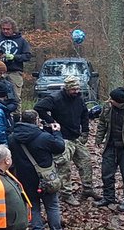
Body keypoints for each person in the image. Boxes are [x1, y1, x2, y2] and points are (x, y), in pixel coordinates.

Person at [9, 109, 66, 230]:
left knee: (33, 206)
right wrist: (56, 132)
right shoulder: (43, 137)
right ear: (36, 120)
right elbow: (60, 147)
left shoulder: (12, 138)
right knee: (52, 205)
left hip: (24, 178)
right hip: (45, 177)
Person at [36, 75, 96, 205]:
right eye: (73, 89)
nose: (76, 91)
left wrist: (85, 131)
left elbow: (84, 114)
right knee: (64, 167)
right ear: (67, 89)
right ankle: (66, 194)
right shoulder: (56, 98)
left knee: (86, 163)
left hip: (76, 137)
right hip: (62, 138)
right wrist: (52, 122)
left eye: (77, 89)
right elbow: (39, 108)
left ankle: (88, 189)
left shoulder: (79, 98)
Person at [0, 18, 33, 97]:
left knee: (15, 97)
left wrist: (14, 57)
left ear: (13, 29)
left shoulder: (21, 40)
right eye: (3, 29)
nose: (5, 31)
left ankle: (16, 110)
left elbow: (27, 56)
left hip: (15, 72)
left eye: (8, 29)